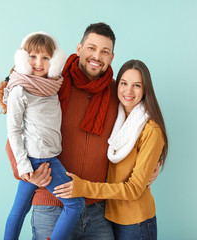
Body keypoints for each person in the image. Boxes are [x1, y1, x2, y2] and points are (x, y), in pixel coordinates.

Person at [53, 59, 169, 240]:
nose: (128, 91)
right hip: (110, 217)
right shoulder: (117, 117)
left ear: (145, 90)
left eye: (137, 85)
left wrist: (83, 187)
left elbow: (133, 189)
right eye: (123, 83)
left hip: (136, 222)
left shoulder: (150, 129)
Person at [0, 32, 85, 240]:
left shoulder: (52, 87)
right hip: (40, 158)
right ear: (24, 59)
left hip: (47, 154)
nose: (39, 63)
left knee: (20, 210)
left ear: (53, 61)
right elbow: (13, 131)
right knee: (75, 203)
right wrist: (25, 166)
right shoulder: (20, 90)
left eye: (45, 58)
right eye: (33, 57)